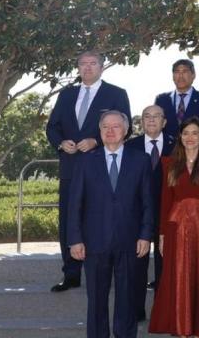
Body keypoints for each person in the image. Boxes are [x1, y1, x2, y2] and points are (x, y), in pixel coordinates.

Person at [47, 50, 132, 293]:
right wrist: (61, 143)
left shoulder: (116, 94)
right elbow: (52, 127)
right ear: (78, 67)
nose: (87, 67)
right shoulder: (66, 94)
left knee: (101, 218)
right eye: (83, 63)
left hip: (103, 168)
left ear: (102, 67)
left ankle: (106, 271)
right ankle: (71, 274)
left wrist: (96, 141)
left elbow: (127, 128)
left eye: (92, 63)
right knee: (69, 220)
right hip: (71, 169)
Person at [67, 110, 152, 338]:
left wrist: (146, 235)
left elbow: (147, 202)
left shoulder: (141, 160)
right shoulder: (85, 161)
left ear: (125, 130)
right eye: (105, 127)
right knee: (96, 299)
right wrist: (75, 239)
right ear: (100, 130)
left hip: (130, 241)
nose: (110, 131)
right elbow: (74, 204)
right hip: (94, 242)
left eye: (115, 126)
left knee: (127, 298)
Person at [149, 116, 199, 338]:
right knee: (178, 273)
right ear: (180, 137)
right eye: (185, 133)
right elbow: (165, 200)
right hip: (176, 226)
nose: (190, 137)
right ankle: (180, 324)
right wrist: (162, 234)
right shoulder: (168, 163)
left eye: (194, 133)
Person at [124, 105, 175, 319]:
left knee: (166, 265)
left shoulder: (178, 145)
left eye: (156, 116)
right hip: (138, 216)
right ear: (141, 122)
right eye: (147, 116)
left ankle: (162, 312)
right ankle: (136, 310)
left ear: (164, 122)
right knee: (137, 265)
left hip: (169, 215)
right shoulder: (130, 146)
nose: (151, 120)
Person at [154, 58, 199, 138]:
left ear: (193, 75)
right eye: (177, 72)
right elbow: (155, 127)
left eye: (185, 71)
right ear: (173, 76)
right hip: (167, 145)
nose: (180, 76)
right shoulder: (161, 99)